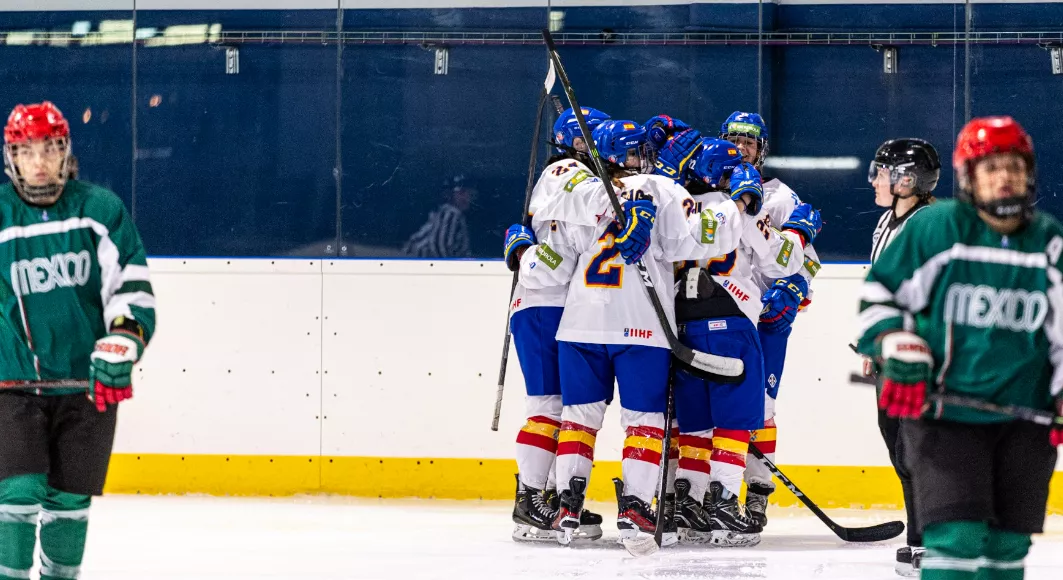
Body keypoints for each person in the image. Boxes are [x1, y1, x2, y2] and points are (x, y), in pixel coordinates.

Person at [515, 119, 759, 548]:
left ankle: (568, 505)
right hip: (641, 329)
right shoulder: (663, 190)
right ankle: (635, 507)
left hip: (580, 325)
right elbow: (706, 238)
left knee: (578, 418)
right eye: (635, 152)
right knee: (644, 422)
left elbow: (555, 262)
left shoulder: (582, 194)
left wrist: (523, 251)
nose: (641, 158)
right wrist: (737, 202)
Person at [856, 116, 1063, 580]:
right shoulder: (937, 229)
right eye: (991, 168)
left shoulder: (1048, 240)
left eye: (1013, 167)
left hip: (1024, 420)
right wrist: (897, 343)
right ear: (970, 177)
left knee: (1007, 548)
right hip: (946, 416)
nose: (1004, 178)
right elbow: (880, 296)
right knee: (955, 540)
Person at [0, 101, 156, 580]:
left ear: (66, 151)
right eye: (27, 151)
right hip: (12, 385)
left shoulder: (99, 209)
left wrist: (125, 338)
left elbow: (130, 285)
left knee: (69, 501)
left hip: (86, 385)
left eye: (49, 149)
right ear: (11, 157)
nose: (39, 162)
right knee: (18, 492)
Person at [654, 130, 813, 547]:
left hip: (685, 324)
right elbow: (786, 260)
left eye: (750, 143)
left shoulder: (677, 203)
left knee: (694, 421)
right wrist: (799, 235)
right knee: (737, 419)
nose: (744, 151)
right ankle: (725, 502)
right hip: (733, 321)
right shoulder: (742, 206)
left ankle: (688, 503)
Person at [503, 106, 610, 543]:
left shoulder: (571, 180)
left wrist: (523, 248)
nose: (594, 147)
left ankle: (547, 496)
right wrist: (527, 254)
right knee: (549, 405)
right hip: (544, 305)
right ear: (568, 142)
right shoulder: (566, 170)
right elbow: (553, 261)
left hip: (556, 307)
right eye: (587, 139)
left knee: (566, 407)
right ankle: (529, 501)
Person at [713, 111, 824, 530]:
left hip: (762, 318)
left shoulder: (779, 197)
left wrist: (792, 291)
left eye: (750, 142)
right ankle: (696, 496)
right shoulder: (706, 187)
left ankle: (757, 493)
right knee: (702, 408)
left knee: (761, 408)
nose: (741, 148)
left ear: (761, 150)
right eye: (735, 139)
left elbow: (807, 261)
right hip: (712, 314)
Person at [865, 137, 942, 576]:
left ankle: (935, 541)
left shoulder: (928, 223)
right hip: (891, 355)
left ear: (907, 180)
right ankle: (919, 538)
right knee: (898, 445)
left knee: (919, 449)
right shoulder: (886, 222)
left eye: (882, 172)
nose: (875, 180)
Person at [402, 175, 475, 258]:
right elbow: (439, 248)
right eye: (461, 192)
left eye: (469, 193)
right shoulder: (451, 213)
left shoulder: (447, 213)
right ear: (449, 194)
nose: (466, 197)